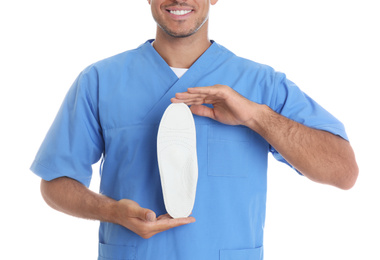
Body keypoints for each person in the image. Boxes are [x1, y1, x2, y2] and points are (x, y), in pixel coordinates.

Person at [30, 0, 359, 259]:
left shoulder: (262, 85)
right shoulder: (100, 81)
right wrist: (112, 211)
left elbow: (343, 171)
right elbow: (55, 183)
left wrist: (256, 116)